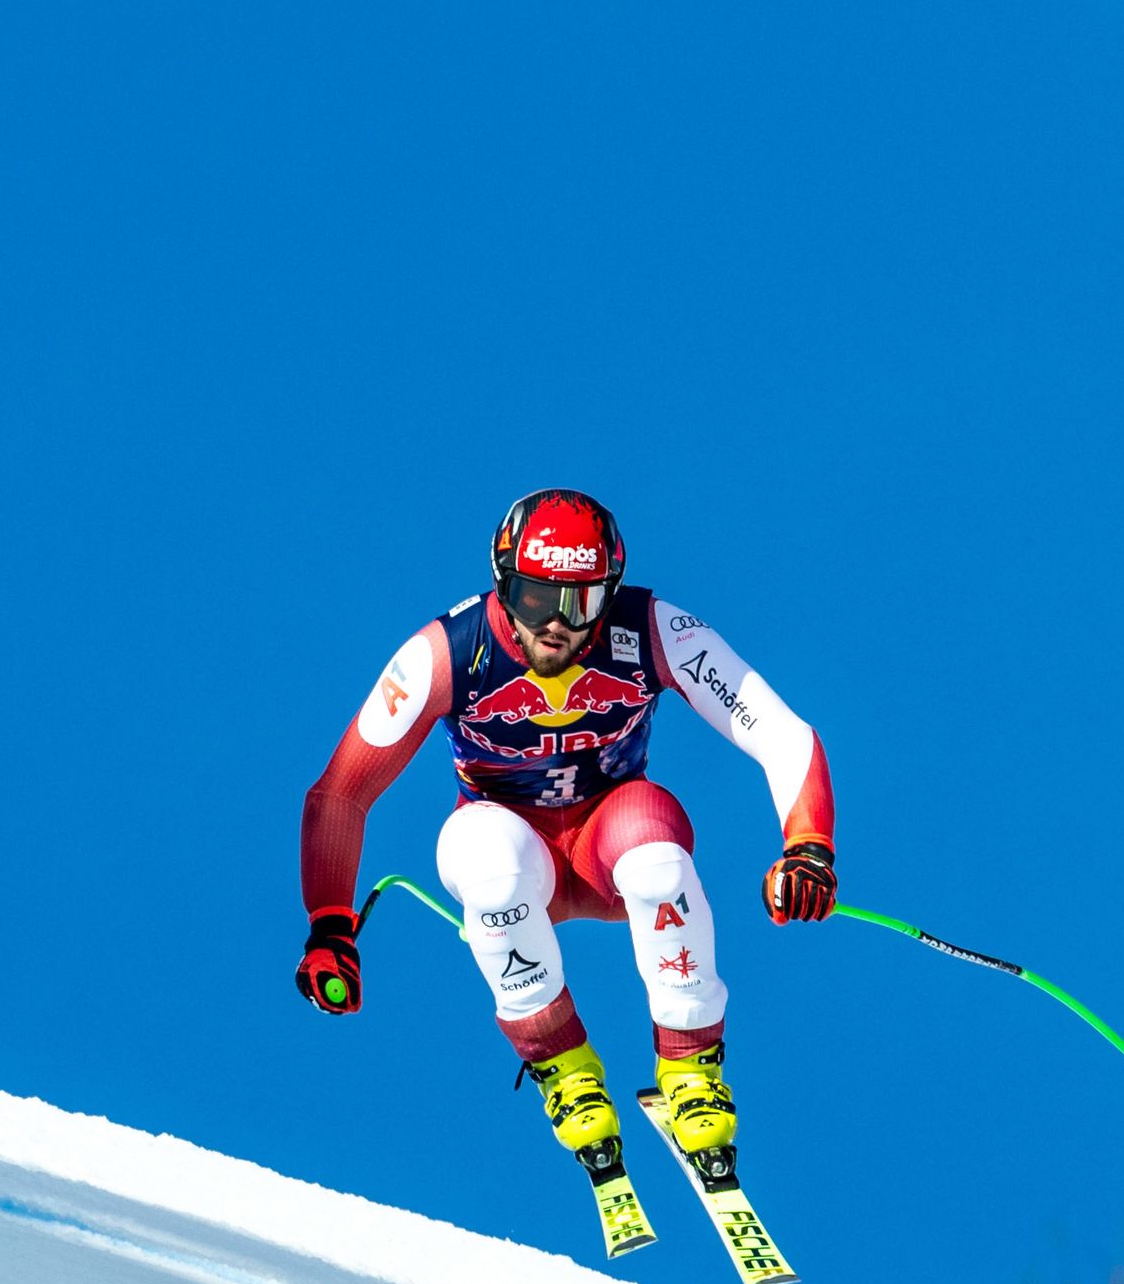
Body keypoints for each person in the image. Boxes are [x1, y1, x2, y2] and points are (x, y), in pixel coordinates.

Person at [295, 489, 836, 1166]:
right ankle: (563, 1066)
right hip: (513, 853)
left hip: (611, 840)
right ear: (502, 585)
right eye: (532, 600)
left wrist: (808, 847)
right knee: (486, 859)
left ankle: (692, 1069)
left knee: (658, 859)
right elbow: (343, 791)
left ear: (607, 595)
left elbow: (782, 734)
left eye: (579, 604)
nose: (555, 626)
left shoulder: (652, 631)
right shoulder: (446, 653)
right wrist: (331, 924)